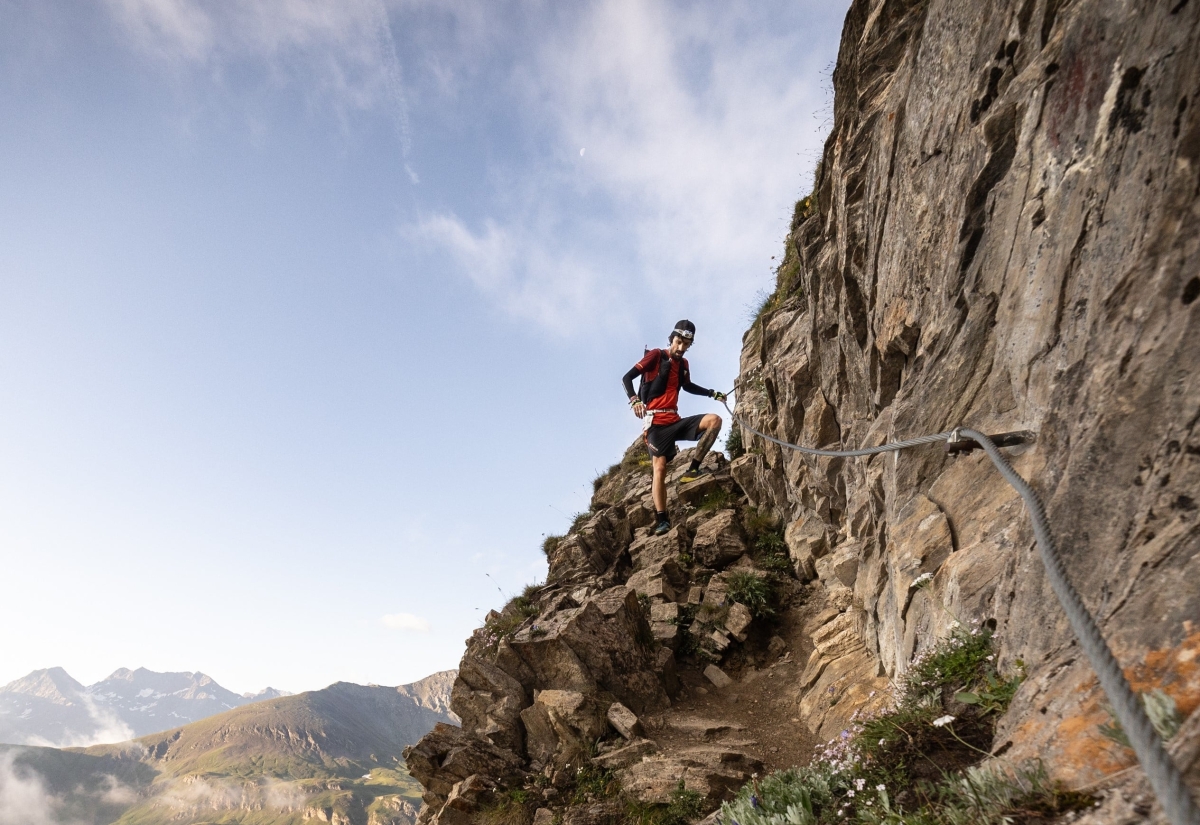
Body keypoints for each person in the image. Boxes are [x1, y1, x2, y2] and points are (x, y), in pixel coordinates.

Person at [621, 320, 726, 536]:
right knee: (659, 467)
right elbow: (627, 377)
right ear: (672, 339)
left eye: (686, 344)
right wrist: (634, 400)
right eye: (678, 342)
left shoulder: (684, 364)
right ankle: (662, 520)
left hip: (674, 420)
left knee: (714, 420)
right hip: (656, 424)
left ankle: (693, 469)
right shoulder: (656, 355)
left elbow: (687, 386)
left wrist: (712, 393)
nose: (680, 347)